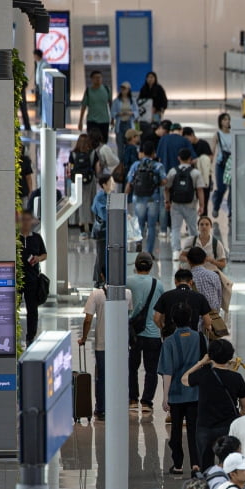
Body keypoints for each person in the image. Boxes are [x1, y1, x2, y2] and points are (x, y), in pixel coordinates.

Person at [183, 340, 245, 470]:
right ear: (230, 356)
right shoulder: (236, 377)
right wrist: (242, 412)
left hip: (205, 427)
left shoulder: (203, 375)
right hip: (228, 427)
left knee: (205, 464)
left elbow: (184, 379)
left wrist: (201, 362)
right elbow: (244, 406)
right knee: (229, 463)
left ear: (210, 356)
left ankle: (210, 486)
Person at [159, 304, 206, 474]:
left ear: (174, 321)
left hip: (176, 394)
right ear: (190, 319)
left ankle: (178, 464)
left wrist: (165, 397)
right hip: (195, 392)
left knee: (176, 430)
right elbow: (204, 364)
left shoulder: (169, 342)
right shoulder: (200, 338)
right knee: (194, 430)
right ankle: (196, 464)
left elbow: (167, 371)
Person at [80, 278, 132, 422]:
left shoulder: (96, 294)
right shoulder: (127, 293)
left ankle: (101, 409)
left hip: (102, 343)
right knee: (120, 376)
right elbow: (126, 315)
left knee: (102, 377)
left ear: (102, 275)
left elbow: (88, 319)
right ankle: (119, 407)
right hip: (120, 343)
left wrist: (84, 338)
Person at [128, 252, 166, 415]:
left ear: (135, 265)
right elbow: (161, 311)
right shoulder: (158, 285)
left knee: (132, 368)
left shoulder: (127, 281)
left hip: (133, 334)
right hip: (153, 334)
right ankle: (147, 402)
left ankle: (132, 399)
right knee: (151, 370)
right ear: (151, 267)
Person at [126, 143, 167, 258]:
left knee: (139, 224)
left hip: (138, 198)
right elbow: (164, 181)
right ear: (153, 154)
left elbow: (129, 181)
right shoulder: (158, 166)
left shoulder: (136, 165)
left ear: (142, 153)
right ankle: (149, 251)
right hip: (153, 198)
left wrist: (125, 196)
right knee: (152, 226)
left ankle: (138, 245)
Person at [167, 150, 205, 256]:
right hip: (191, 204)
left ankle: (176, 251)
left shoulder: (172, 172)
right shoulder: (195, 173)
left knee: (175, 228)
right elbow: (200, 190)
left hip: (175, 204)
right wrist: (202, 206)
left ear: (179, 158)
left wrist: (167, 201)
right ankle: (193, 250)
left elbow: (167, 188)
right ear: (190, 159)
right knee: (192, 228)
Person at [18, 209, 48, 345]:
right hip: (17, 279)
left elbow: (44, 254)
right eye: (23, 219)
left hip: (32, 279)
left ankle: (30, 337)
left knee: (32, 310)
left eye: (28, 219)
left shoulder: (36, 237)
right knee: (14, 308)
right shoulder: (15, 238)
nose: (25, 222)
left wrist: (38, 258)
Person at [153, 269, 211, 337]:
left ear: (175, 281)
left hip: (171, 336)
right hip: (191, 337)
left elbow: (156, 318)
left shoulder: (166, 296)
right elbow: (207, 322)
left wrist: (163, 328)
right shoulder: (200, 297)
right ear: (191, 282)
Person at [67, 133, 98, 235]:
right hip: (90, 181)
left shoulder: (73, 154)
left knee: (78, 202)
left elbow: (70, 168)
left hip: (77, 181)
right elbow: (97, 169)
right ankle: (90, 225)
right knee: (90, 202)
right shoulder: (93, 153)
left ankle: (80, 226)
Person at [185, 247, 223, 320]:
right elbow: (219, 298)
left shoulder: (187, 279)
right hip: (213, 321)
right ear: (204, 260)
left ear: (188, 261)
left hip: (194, 322)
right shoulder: (214, 276)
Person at [78, 70, 111, 143]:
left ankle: (102, 154)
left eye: (99, 77)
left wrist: (112, 119)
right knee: (92, 142)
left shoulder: (107, 89)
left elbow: (110, 104)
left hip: (104, 121)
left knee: (104, 142)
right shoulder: (88, 91)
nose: (98, 79)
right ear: (92, 79)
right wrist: (80, 121)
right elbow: (84, 106)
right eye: (96, 78)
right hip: (92, 121)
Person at [212, 113, 234, 215]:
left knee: (232, 189)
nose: (227, 121)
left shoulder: (233, 133)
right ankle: (216, 206)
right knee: (221, 188)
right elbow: (212, 151)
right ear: (220, 121)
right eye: (225, 119)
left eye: (228, 119)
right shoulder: (217, 134)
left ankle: (231, 211)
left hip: (231, 164)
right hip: (221, 164)